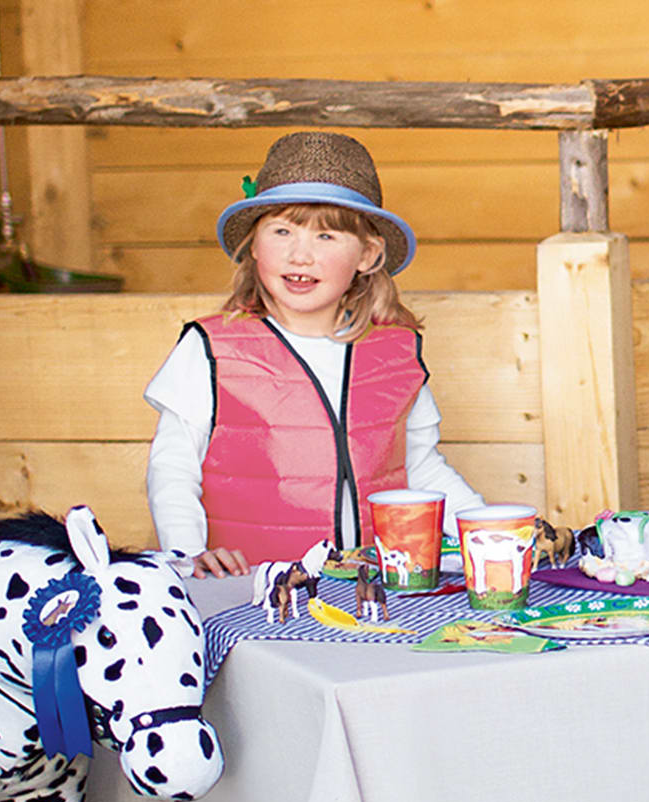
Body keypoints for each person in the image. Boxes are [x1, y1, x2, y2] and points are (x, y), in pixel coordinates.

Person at [145, 131, 483, 576]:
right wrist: (187, 556)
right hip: (248, 593)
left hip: (367, 591)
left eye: (326, 237)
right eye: (282, 231)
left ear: (367, 254)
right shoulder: (209, 349)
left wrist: (484, 532)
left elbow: (420, 467)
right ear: (255, 245)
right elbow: (172, 467)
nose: (300, 254)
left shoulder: (396, 354)